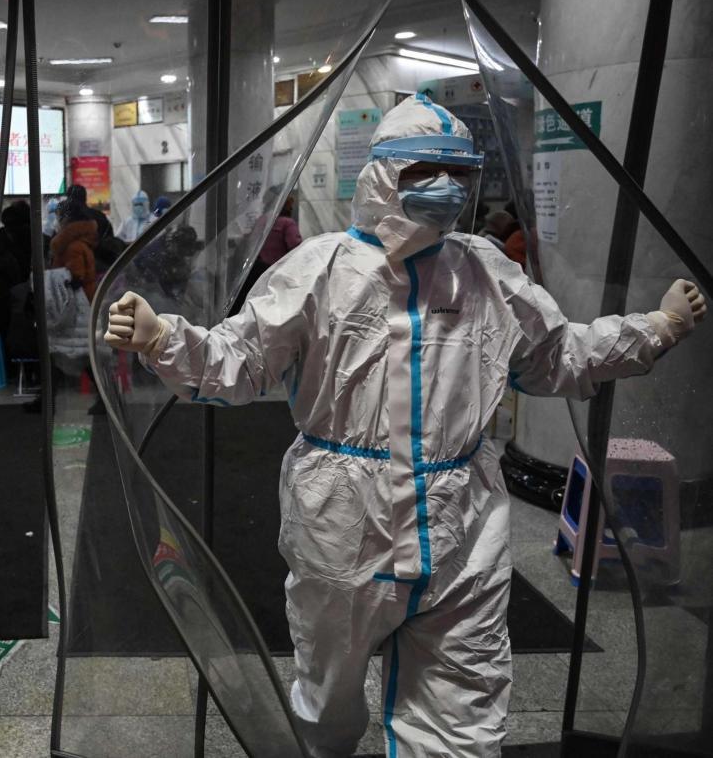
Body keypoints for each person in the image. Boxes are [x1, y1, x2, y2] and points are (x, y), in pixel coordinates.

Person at [103, 94, 706, 757]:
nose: (445, 189)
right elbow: (239, 362)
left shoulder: (484, 272)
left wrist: (655, 330)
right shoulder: (321, 268)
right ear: (383, 176)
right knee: (326, 700)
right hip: (341, 523)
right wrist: (164, 338)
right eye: (422, 171)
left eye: (459, 174)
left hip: (463, 525)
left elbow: (559, 356)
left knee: (462, 707)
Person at [49, 200, 99, 301]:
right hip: (86, 297)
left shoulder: (72, 246)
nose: (57, 221)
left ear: (66, 218)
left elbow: (75, 278)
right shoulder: (79, 241)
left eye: (58, 217)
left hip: (77, 302)